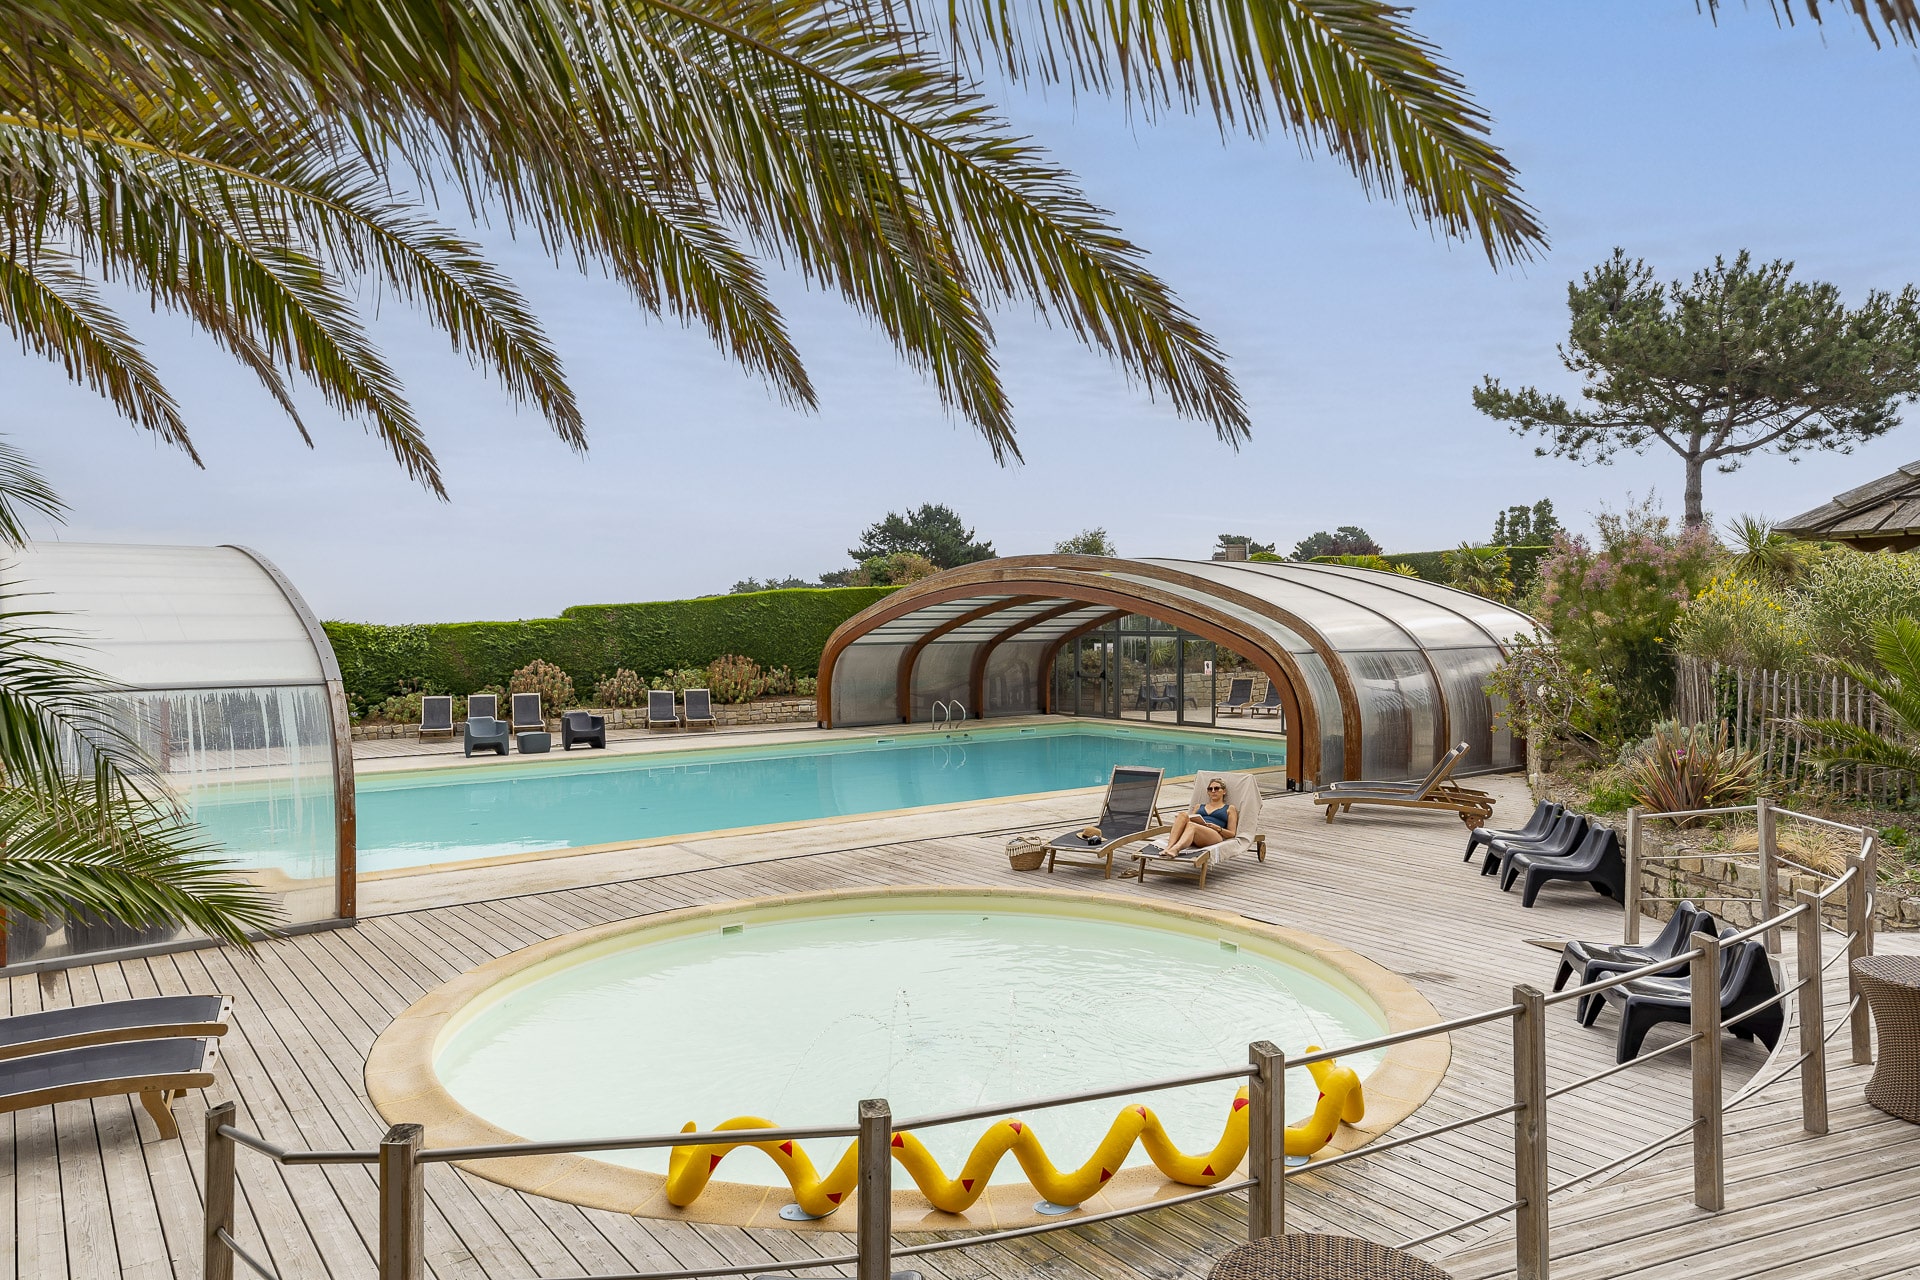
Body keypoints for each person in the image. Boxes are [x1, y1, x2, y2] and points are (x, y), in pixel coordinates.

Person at [1161, 777, 1237, 859]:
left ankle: (1176, 849)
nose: (1213, 791)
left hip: (1215, 835)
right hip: (1195, 832)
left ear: (1224, 791)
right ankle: (1169, 847)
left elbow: (1232, 834)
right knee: (1182, 815)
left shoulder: (1230, 808)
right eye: (1210, 789)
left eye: (1217, 788)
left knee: (1191, 825)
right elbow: (1190, 820)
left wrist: (1219, 828)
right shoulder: (1199, 806)